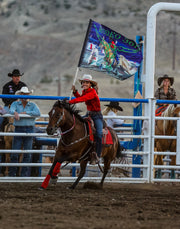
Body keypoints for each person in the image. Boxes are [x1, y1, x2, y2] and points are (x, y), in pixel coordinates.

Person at [69, 74, 103, 164]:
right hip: (89, 114)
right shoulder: (85, 91)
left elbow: (82, 99)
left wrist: (69, 102)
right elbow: (80, 98)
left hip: (96, 115)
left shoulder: (92, 92)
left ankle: (98, 155)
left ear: (90, 84)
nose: (84, 84)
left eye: (86, 82)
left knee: (99, 134)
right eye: (83, 82)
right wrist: (75, 92)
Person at [8, 86, 41, 177]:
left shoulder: (33, 105)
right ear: (20, 95)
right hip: (19, 128)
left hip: (29, 129)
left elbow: (38, 113)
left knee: (27, 154)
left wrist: (25, 113)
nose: (25, 95)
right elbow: (11, 110)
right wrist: (15, 113)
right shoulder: (15, 103)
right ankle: (12, 174)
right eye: (23, 94)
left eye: (26, 94)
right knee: (15, 153)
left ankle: (23, 174)